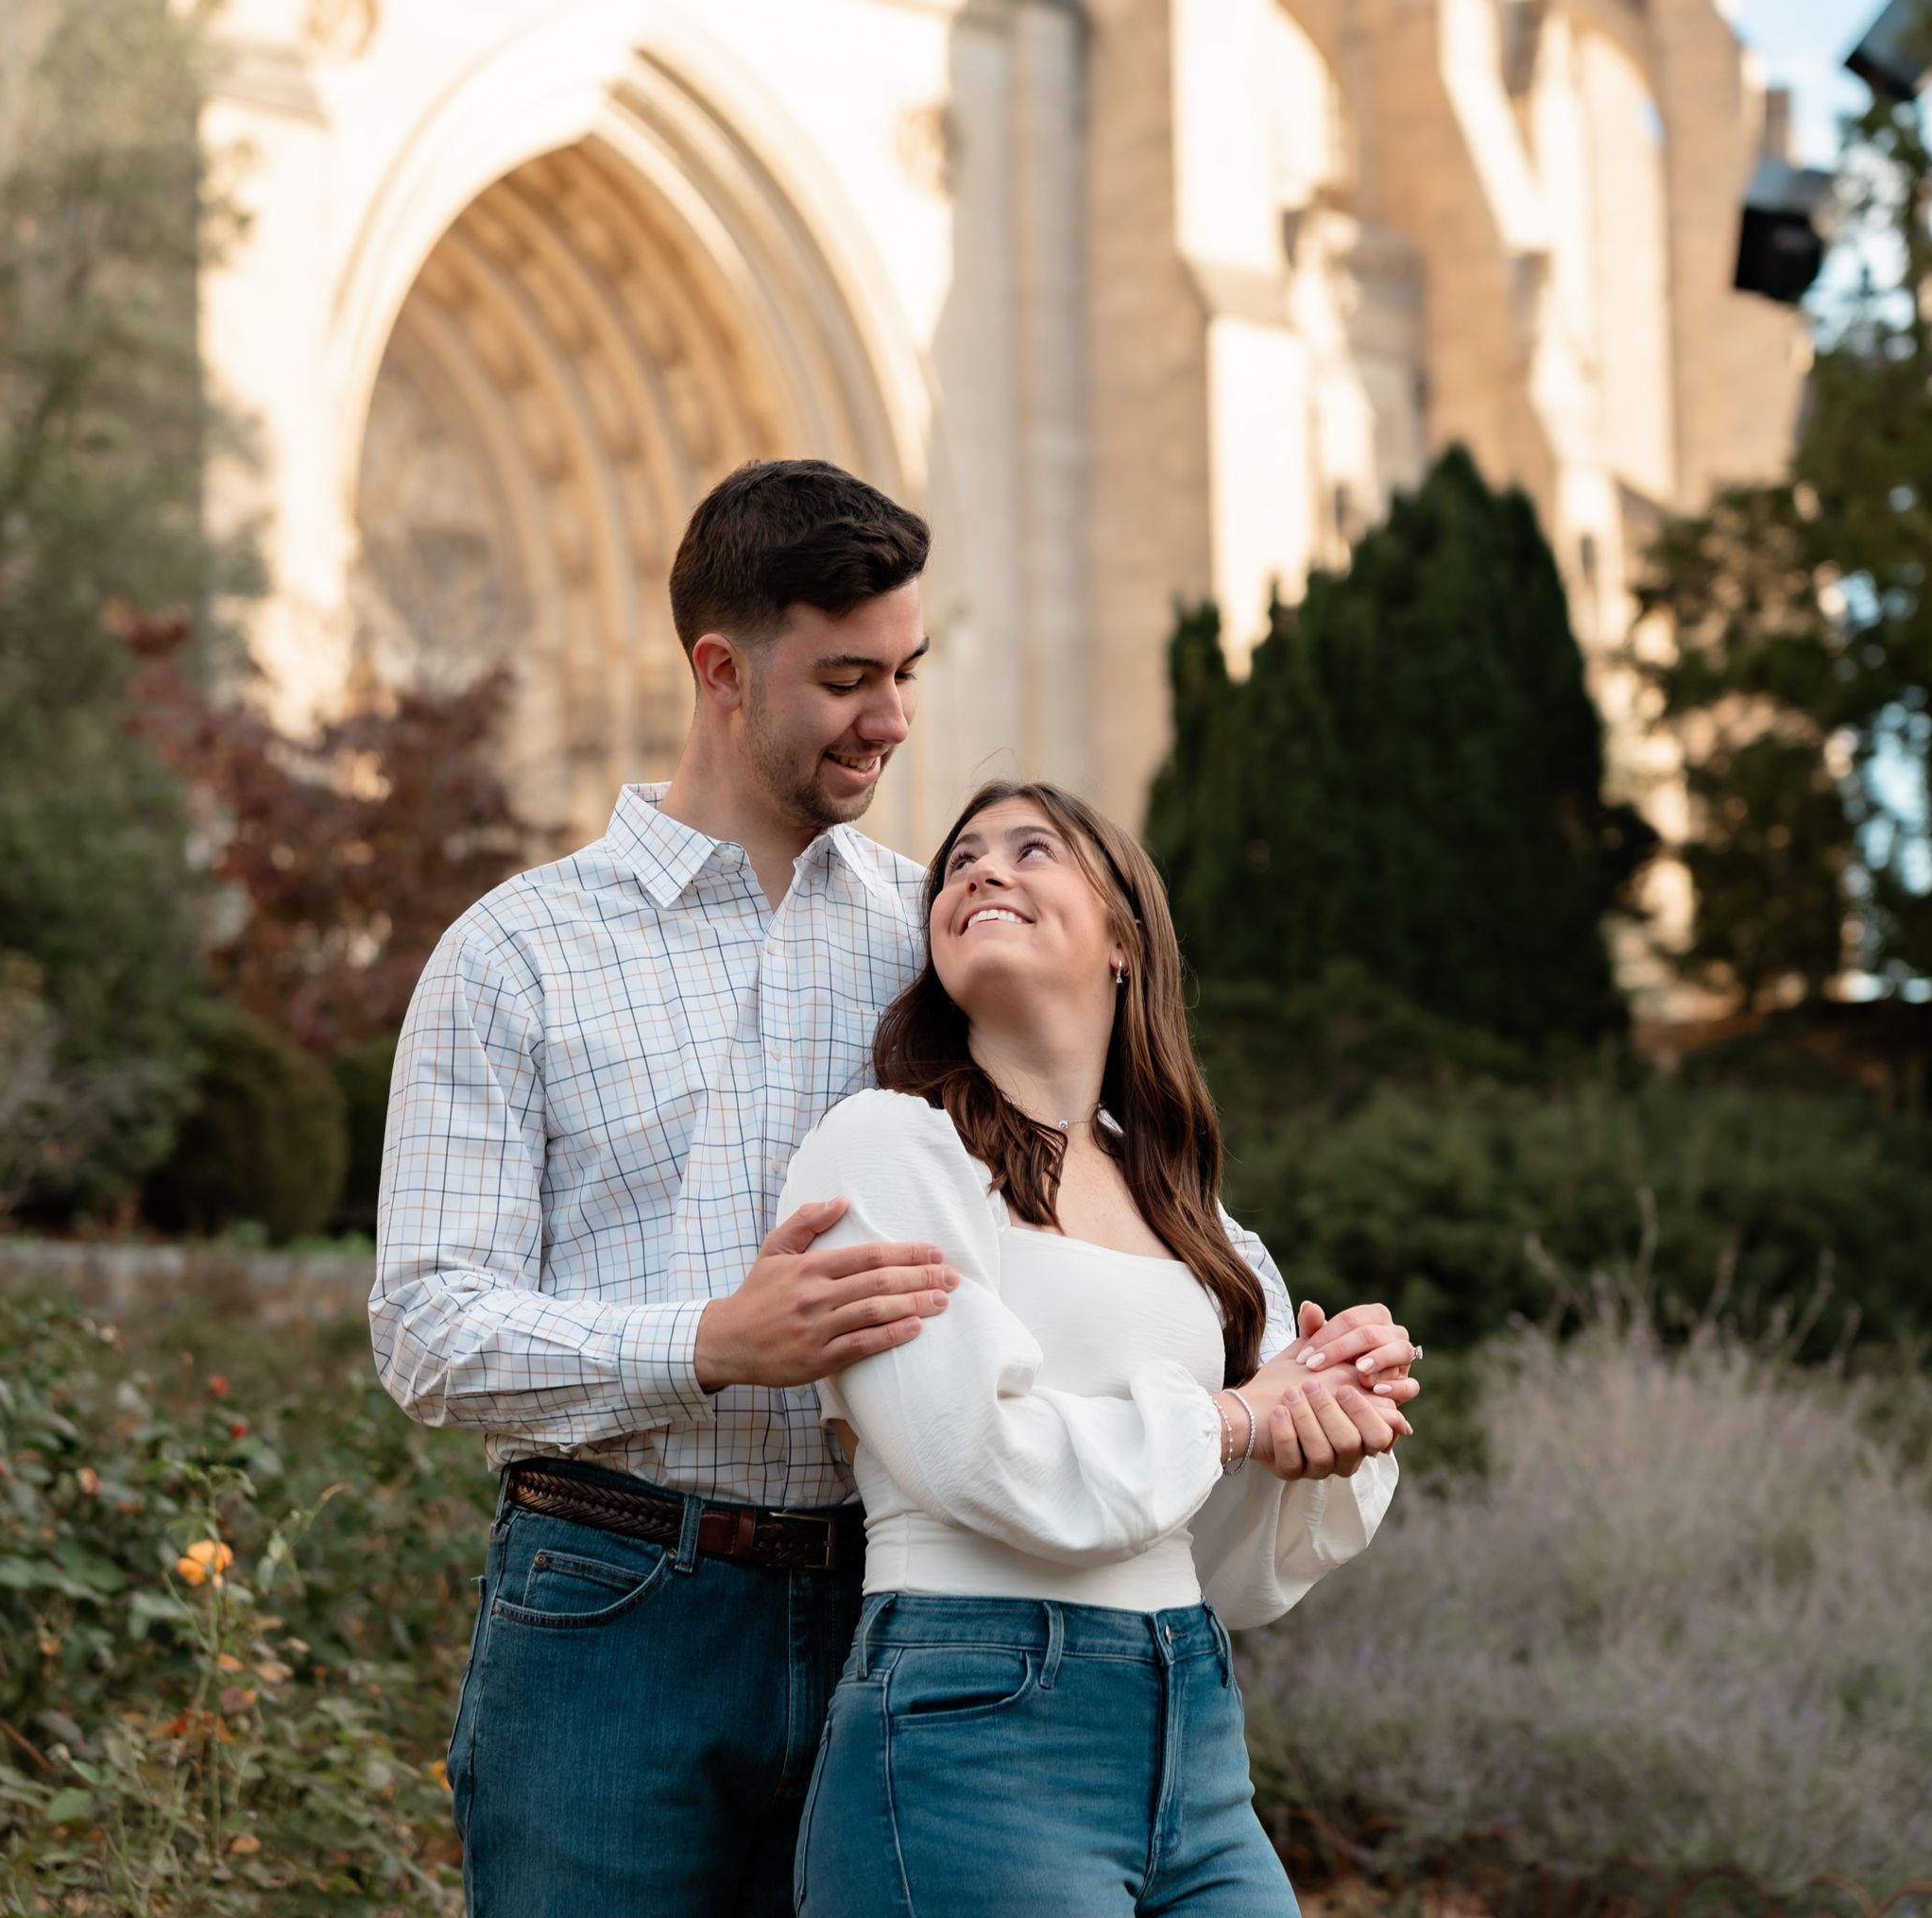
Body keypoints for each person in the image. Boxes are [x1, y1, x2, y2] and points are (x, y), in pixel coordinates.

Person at [371, 457, 1419, 1916]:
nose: (894, 718)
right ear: (722, 673)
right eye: (848, 679)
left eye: (907, 671)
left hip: (913, 1625)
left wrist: (1289, 1365)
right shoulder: (516, 955)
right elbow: (425, 1326)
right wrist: (708, 1344)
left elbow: (1104, 1185)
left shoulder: (931, 933)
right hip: (618, 1600)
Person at [778, 780, 1415, 1916]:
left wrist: (1337, 1404)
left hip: (1193, 1721)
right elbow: (977, 1453)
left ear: (1123, 937)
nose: (981, 869)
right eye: (960, 860)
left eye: (1032, 849)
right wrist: (1238, 1416)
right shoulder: (887, 1146)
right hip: (971, 1724)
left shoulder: (1192, 1211)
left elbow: (1233, 1561)